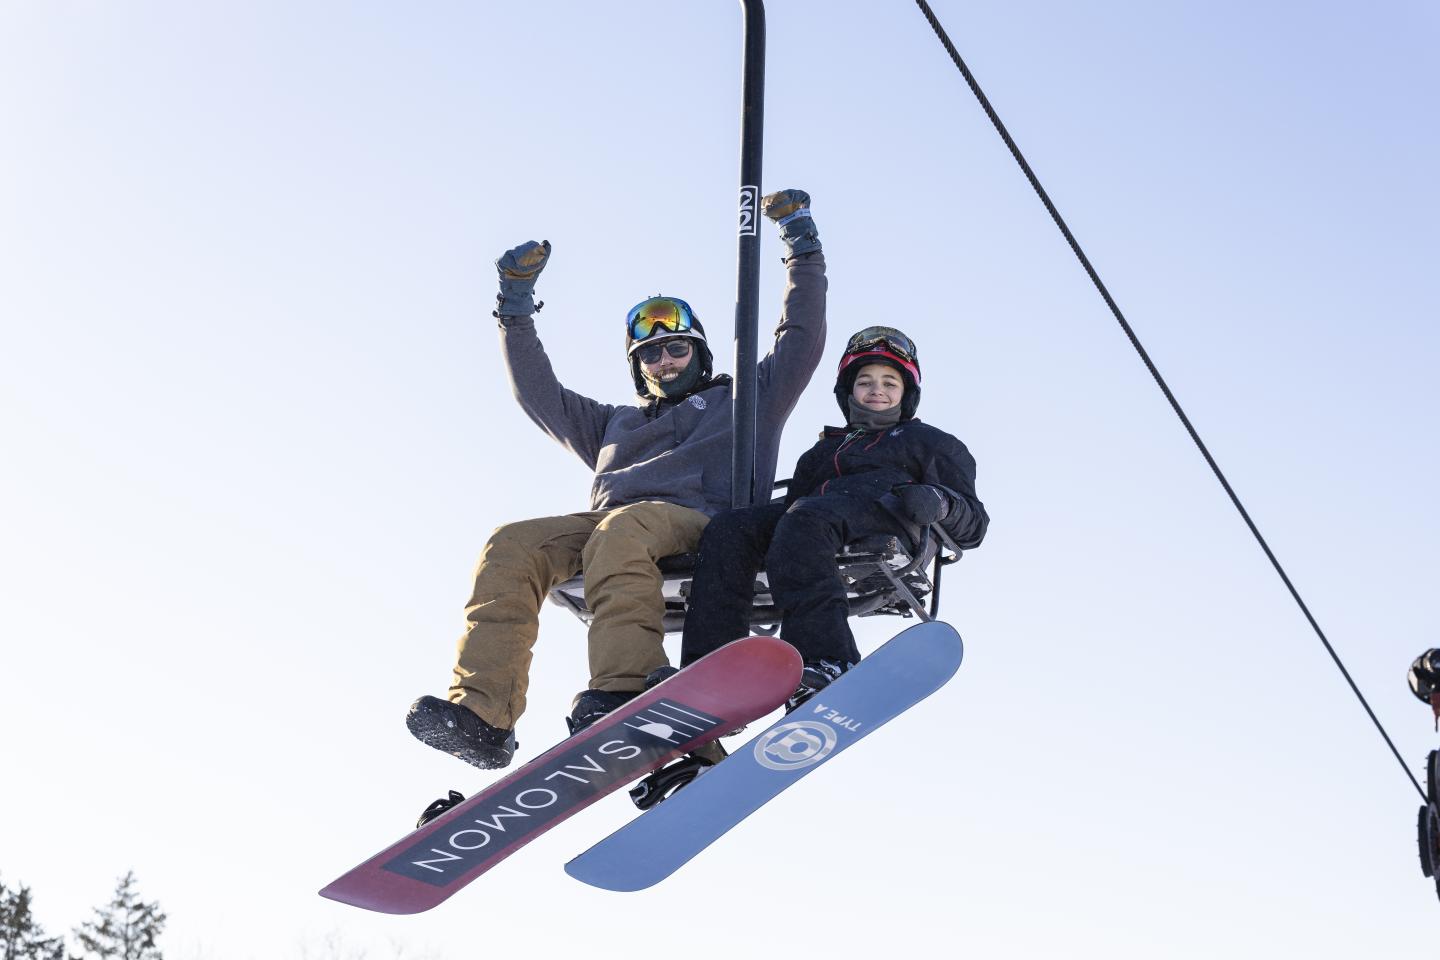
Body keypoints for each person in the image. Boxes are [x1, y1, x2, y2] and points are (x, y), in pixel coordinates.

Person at [406, 190, 828, 770]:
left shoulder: (746, 401)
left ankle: (627, 690)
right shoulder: (613, 424)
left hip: (699, 522)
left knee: (624, 530)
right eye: (651, 355)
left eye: (677, 348)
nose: (665, 362)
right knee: (512, 542)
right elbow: (539, 393)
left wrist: (801, 248)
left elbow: (799, 340)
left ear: (699, 353)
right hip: (611, 527)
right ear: (638, 367)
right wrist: (514, 308)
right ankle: (484, 712)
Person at [677, 325, 989, 709]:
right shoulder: (822, 452)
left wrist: (940, 502)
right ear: (849, 390)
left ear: (906, 393)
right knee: (730, 528)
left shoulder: (931, 444)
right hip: (815, 522)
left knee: (805, 520)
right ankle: (712, 667)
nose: (877, 390)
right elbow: (788, 516)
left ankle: (829, 658)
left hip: (885, 517)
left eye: (890, 383)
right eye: (866, 381)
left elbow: (974, 523)